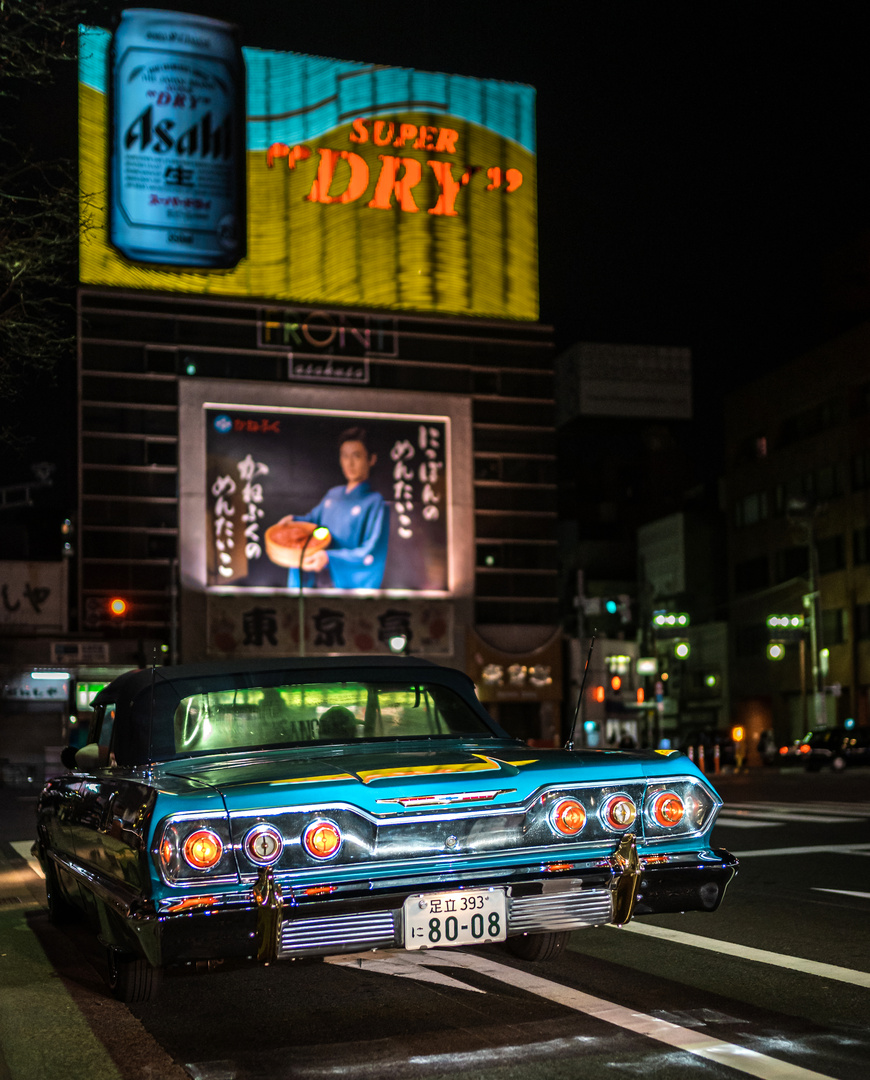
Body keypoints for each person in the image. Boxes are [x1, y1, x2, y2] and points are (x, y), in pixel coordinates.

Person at [280, 427, 389, 590]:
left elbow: (371, 552)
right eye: (345, 456)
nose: (349, 463)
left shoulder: (375, 502)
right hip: (315, 573)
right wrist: (293, 520)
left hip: (342, 579)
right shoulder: (333, 495)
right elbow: (312, 522)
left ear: (371, 459)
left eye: (357, 456)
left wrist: (329, 558)